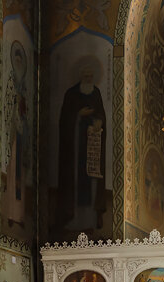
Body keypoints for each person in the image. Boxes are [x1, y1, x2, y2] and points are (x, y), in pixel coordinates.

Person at [58, 59, 107, 232]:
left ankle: (90, 221)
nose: (88, 79)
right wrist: (78, 116)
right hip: (76, 148)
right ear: (80, 76)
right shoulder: (71, 94)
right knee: (76, 183)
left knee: (91, 184)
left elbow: (101, 115)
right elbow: (64, 120)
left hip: (91, 147)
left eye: (91, 76)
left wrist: (99, 122)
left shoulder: (96, 93)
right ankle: (75, 219)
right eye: (86, 76)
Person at [0, 41, 30, 230]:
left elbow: (25, 110)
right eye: (16, 60)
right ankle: (10, 213)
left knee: (21, 176)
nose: (18, 63)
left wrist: (22, 105)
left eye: (20, 61)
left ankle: (19, 215)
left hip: (22, 133)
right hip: (13, 134)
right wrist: (15, 102)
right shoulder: (11, 81)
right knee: (12, 174)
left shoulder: (24, 84)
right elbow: (8, 104)